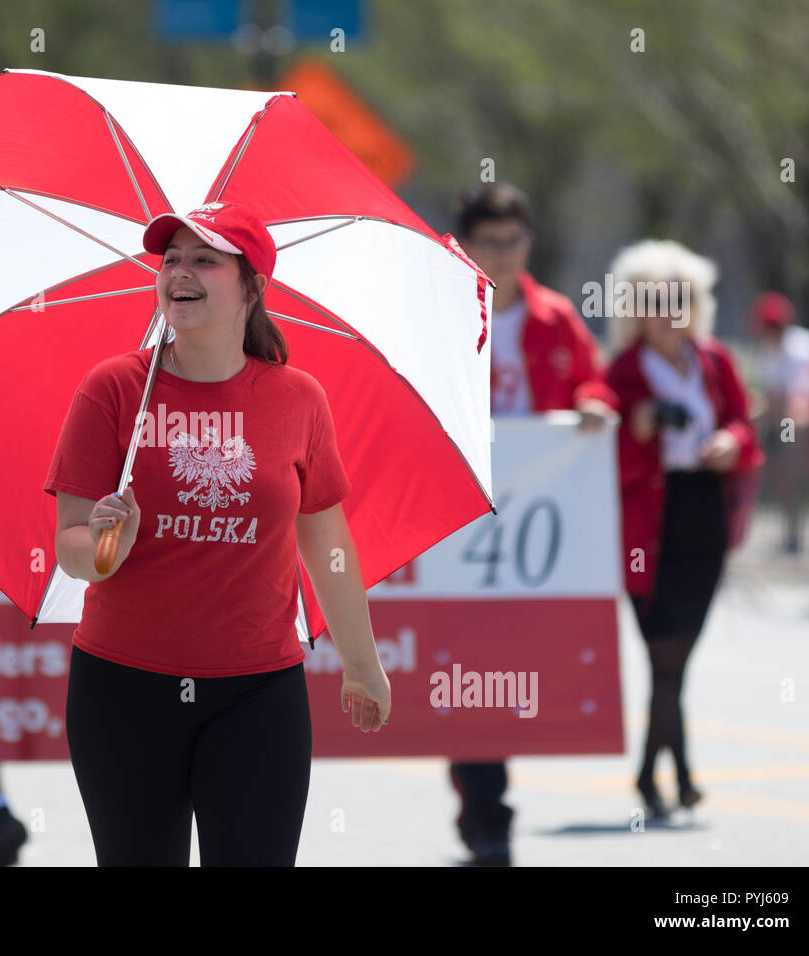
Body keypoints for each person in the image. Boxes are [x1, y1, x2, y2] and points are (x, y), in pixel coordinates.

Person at [44, 201, 390, 867]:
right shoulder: (112, 390)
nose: (180, 270)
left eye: (205, 259)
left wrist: (362, 664)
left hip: (258, 691)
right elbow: (71, 545)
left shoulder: (298, 399)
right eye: (171, 259)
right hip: (123, 691)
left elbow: (327, 542)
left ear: (252, 286)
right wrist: (107, 547)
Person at [447, 184, 616, 866]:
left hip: (534, 518)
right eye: (490, 242)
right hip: (459, 513)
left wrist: (593, 405)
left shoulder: (554, 317)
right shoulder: (445, 311)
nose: (503, 254)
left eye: (514, 240)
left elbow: (593, 382)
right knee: (461, 656)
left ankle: (482, 794)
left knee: (510, 660)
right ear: (464, 245)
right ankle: (487, 805)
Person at [603, 239, 763, 820]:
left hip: (703, 514)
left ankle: (656, 776)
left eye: (680, 297)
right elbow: (604, 457)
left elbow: (745, 426)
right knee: (664, 655)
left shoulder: (715, 361)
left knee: (676, 658)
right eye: (656, 299)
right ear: (636, 307)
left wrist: (731, 444)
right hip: (649, 524)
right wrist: (639, 426)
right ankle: (672, 776)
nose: (669, 310)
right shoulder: (621, 370)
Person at [749, 291, 809, 555]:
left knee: (794, 463)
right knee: (778, 472)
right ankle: (792, 530)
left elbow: (803, 397)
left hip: (803, 425)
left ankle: (806, 532)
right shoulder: (768, 351)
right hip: (780, 423)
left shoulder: (803, 347)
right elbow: (769, 395)